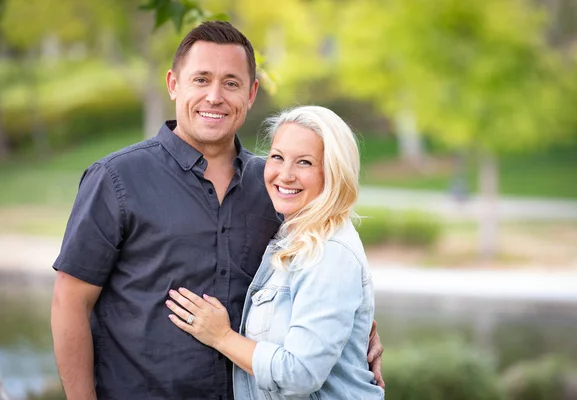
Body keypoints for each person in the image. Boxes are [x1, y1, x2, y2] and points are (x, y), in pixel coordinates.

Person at [50, 21, 383, 400]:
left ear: (252, 92)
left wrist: (357, 335)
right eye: (201, 79)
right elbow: (70, 301)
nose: (214, 96)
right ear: (174, 83)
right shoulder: (116, 179)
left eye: (231, 83)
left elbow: (319, 284)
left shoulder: (276, 186)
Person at [165, 105, 385, 399]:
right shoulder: (291, 236)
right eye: (277, 157)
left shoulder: (329, 252)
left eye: (304, 162)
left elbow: (300, 374)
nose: (285, 174)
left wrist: (221, 336)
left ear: (333, 172)